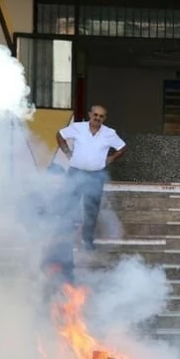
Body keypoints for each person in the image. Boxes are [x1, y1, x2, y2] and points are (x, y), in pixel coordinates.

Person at [55, 105, 127, 250]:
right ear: (90, 114)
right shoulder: (78, 127)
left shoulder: (109, 133)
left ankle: (87, 240)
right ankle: (64, 239)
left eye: (101, 116)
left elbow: (122, 147)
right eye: (95, 115)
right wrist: (67, 152)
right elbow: (60, 135)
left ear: (104, 118)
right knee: (69, 206)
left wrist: (111, 158)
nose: (97, 118)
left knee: (91, 210)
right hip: (75, 173)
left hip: (95, 176)